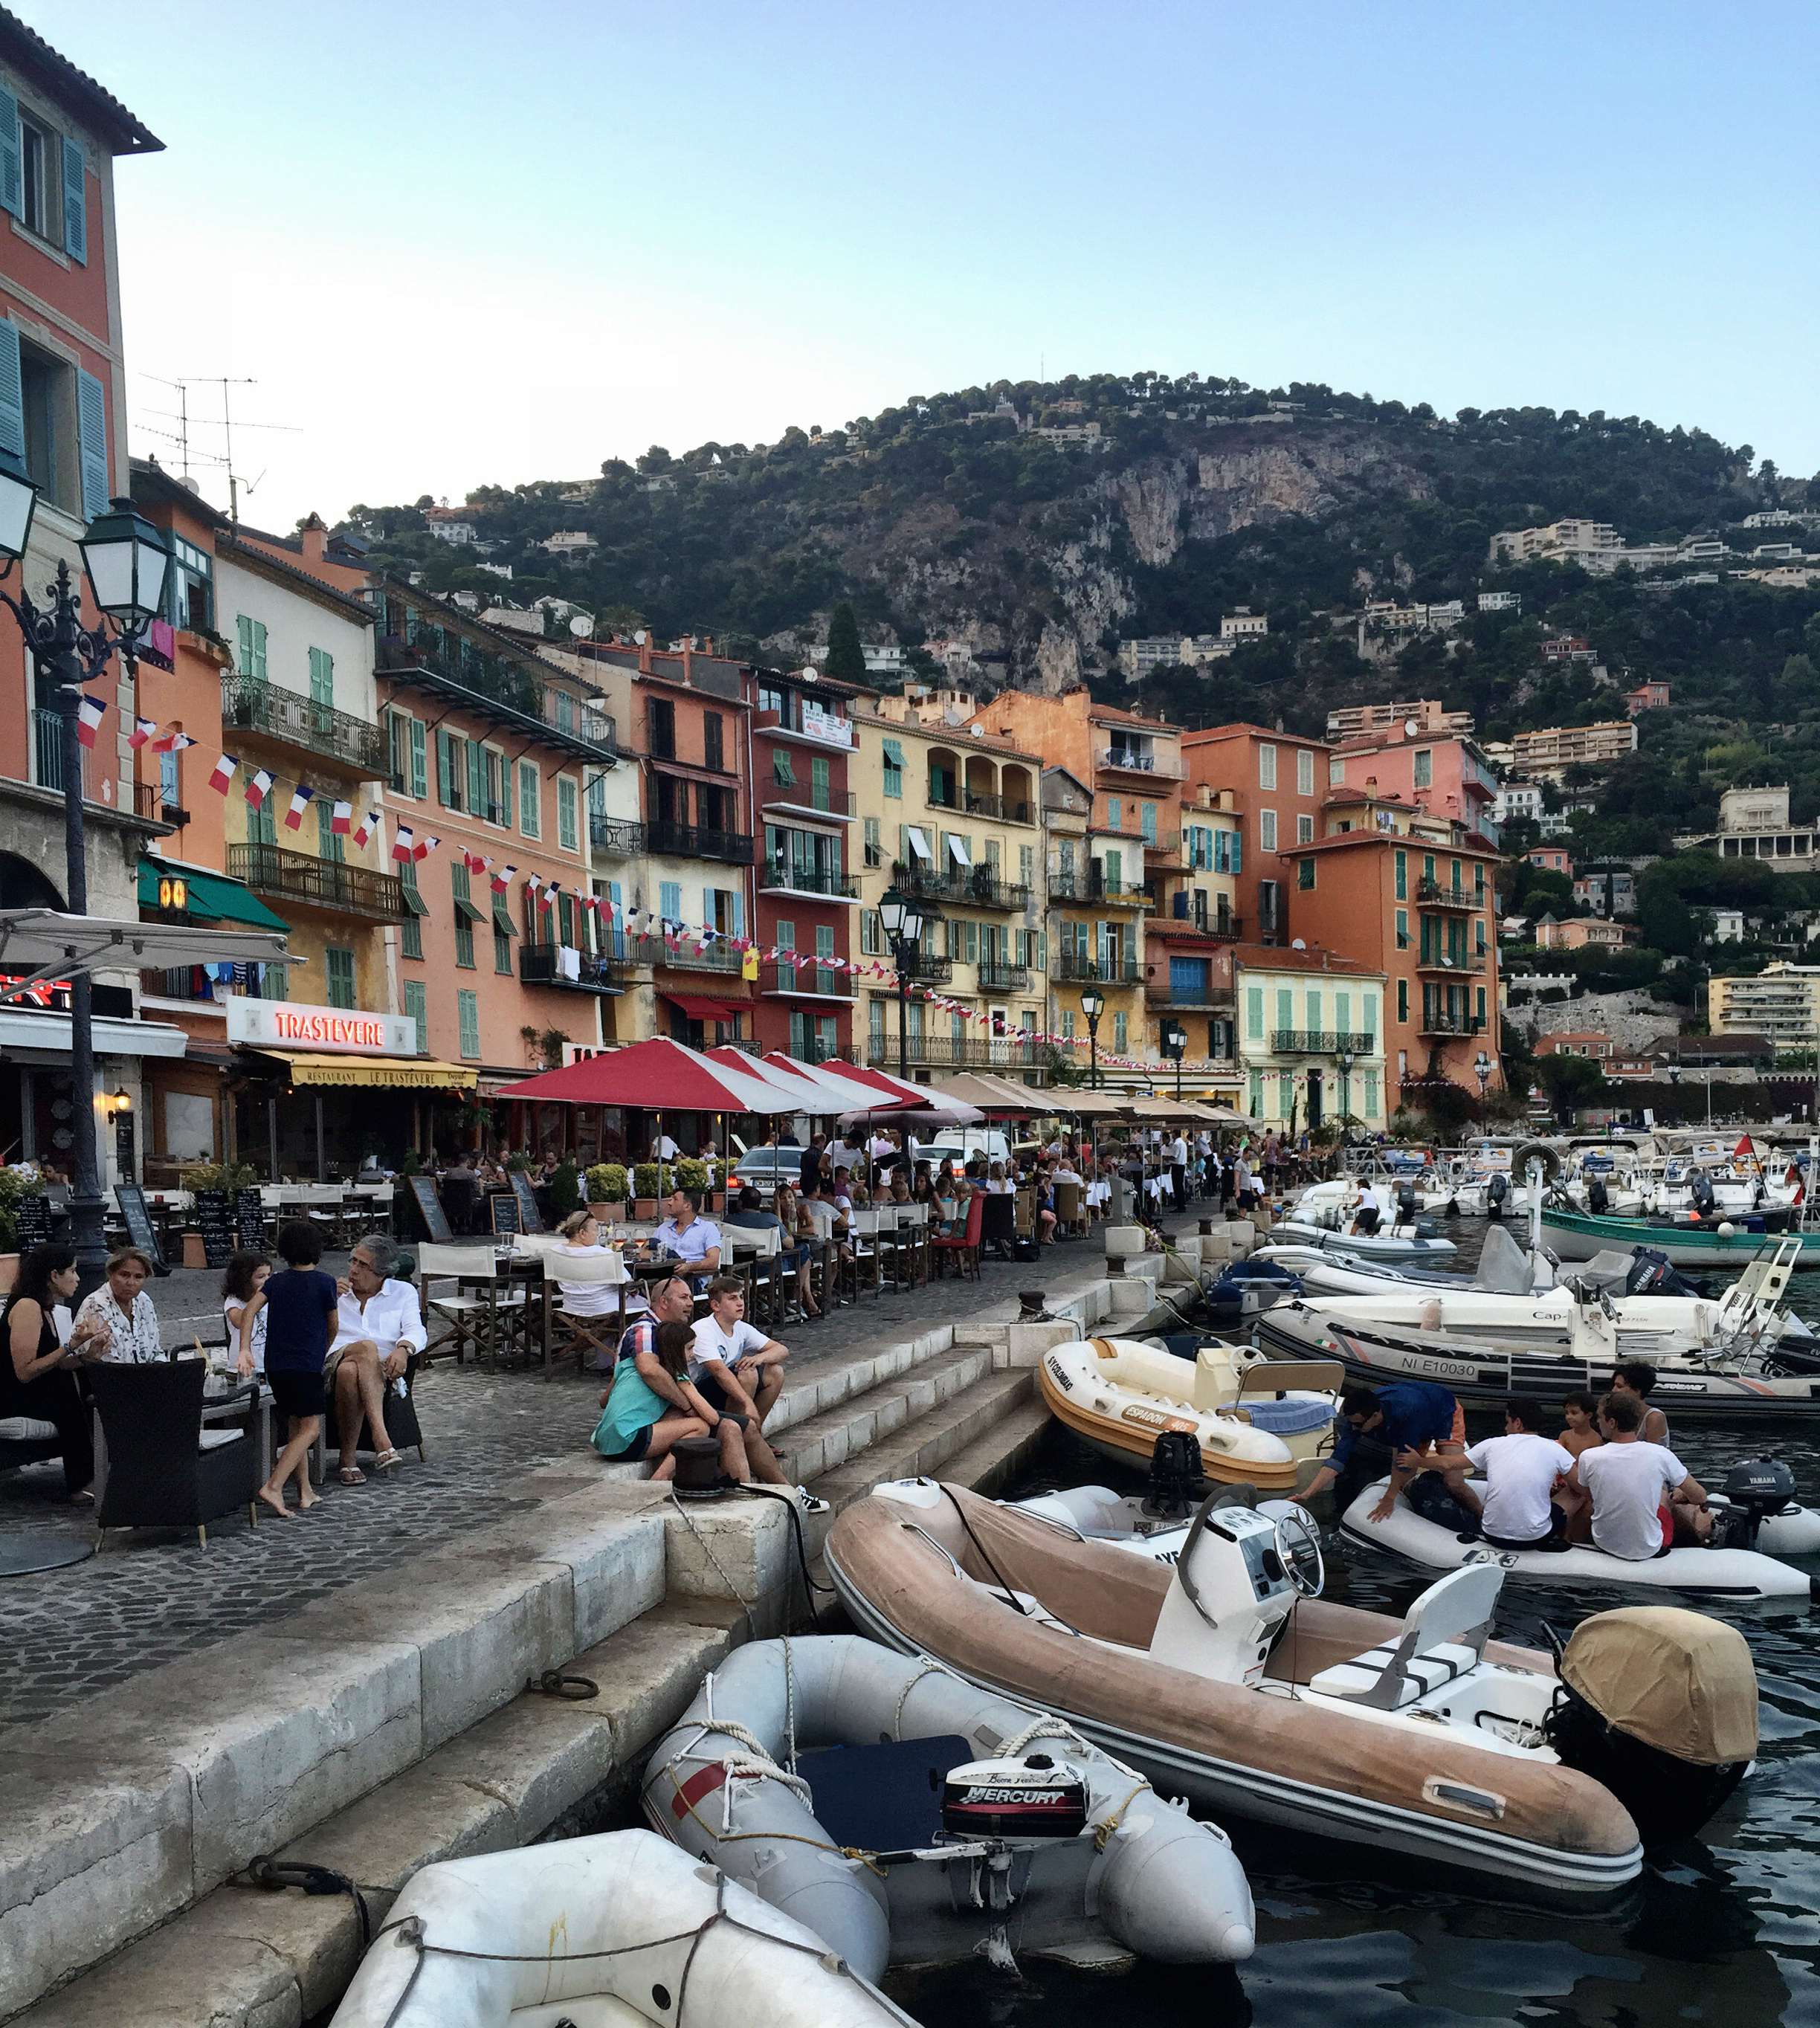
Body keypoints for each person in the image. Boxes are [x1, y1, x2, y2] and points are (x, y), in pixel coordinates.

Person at [1, 1242, 105, 1499]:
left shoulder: (46, 1309)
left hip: (34, 1390)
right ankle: (81, 1482)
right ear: (54, 1275)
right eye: (72, 1271)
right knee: (66, 1392)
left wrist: (86, 1356)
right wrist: (71, 1345)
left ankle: (99, 1468)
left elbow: (55, 1361)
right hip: (12, 1396)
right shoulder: (27, 1307)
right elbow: (24, 1371)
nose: (78, 1278)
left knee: (87, 1378)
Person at [593, 1316, 752, 1483]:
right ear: (676, 1349)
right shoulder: (676, 1374)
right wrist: (690, 1407)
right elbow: (712, 1418)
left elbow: (604, 1401)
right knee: (701, 1426)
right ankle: (660, 1477)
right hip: (628, 1442)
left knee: (676, 1417)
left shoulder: (628, 1364)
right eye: (690, 1348)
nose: (693, 1354)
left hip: (604, 1441)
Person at [254, 1221, 339, 1520]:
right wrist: (323, 1350)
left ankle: (305, 1492)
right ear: (318, 1249)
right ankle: (275, 1485)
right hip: (306, 1365)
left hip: (277, 1365)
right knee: (311, 1428)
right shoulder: (325, 1282)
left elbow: (251, 1309)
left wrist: (242, 1348)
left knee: (295, 1427)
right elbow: (333, 1325)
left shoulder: (275, 1282)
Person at [1297, 1380, 1468, 1526]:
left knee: (1454, 1482)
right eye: (1352, 1424)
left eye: (1359, 1425)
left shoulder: (1406, 1414)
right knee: (1404, 1481)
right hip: (1413, 1416)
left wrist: (1389, 1498)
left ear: (1376, 1416)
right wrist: (1308, 1494)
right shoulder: (1358, 1418)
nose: (1355, 1429)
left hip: (1444, 1412)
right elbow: (1338, 1459)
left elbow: (1402, 1462)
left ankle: (1481, 1516)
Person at [1564, 1391, 1710, 1559]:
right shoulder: (1660, 1454)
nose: (1597, 1422)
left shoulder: (1589, 1457)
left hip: (1605, 1542)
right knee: (1665, 1498)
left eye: (1599, 1418)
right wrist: (1680, 1495)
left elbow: (1590, 1495)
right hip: (1649, 1547)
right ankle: (1697, 1539)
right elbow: (1700, 1496)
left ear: (1612, 1423)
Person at [328, 1235, 426, 1484]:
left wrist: (404, 1349)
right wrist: (327, 1298)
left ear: (382, 1273)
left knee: (351, 1372)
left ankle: (347, 1459)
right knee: (366, 1348)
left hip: (376, 1369)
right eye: (353, 1261)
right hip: (335, 1357)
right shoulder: (335, 1292)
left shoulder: (402, 1292)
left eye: (363, 1265)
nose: (353, 1269)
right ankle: (381, 1438)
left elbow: (416, 1329)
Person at [1435, 1398, 1574, 1550]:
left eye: (1507, 1422)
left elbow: (1448, 1463)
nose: (1505, 1428)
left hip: (1492, 1535)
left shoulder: (1491, 1444)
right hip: (1533, 1539)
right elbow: (1582, 1487)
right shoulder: (1554, 1448)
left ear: (1518, 1423)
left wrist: (1416, 1461)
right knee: (1576, 1493)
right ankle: (1572, 1539)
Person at [690, 1276, 790, 1430]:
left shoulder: (741, 1327)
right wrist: (747, 1403)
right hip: (699, 1393)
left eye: (741, 1297)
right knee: (747, 1374)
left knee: (775, 1371)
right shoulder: (703, 1329)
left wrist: (759, 1358)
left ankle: (754, 1434)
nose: (740, 1303)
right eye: (732, 1298)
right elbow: (718, 1371)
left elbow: (782, 1350)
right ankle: (737, 1432)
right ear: (716, 1306)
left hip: (723, 1387)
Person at [553, 1210, 625, 1366]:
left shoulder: (556, 1252)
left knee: (610, 1319)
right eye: (595, 1230)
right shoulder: (602, 1253)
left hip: (572, 1307)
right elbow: (626, 1280)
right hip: (605, 1307)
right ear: (582, 1233)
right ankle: (620, 1361)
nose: (597, 1234)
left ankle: (603, 1361)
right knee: (640, 1304)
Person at [74, 1248, 163, 1363]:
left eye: (138, 1277)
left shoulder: (144, 1301)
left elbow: (156, 1350)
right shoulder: (96, 1305)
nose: (131, 1283)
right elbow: (106, 1360)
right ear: (111, 1274)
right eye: (124, 1275)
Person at [647, 1187, 722, 1287]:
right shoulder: (664, 1228)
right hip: (662, 1277)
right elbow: (645, 1251)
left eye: (675, 1199)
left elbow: (713, 1261)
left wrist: (689, 1267)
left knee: (654, 1243)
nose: (670, 1203)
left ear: (687, 1206)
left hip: (690, 1279)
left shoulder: (707, 1228)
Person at [222, 1251, 271, 1378]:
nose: (266, 1280)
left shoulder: (269, 1299)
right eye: (261, 1277)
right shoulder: (233, 1302)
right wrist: (257, 1299)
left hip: (267, 1364)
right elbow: (239, 1321)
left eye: (268, 1275)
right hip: (241, 1368)